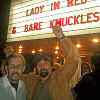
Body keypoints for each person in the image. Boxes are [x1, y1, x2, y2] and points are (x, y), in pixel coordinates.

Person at [21, 26, 81, 100]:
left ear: (51, 66)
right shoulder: (30, 80)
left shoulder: (60, 78)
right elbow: (13, 74)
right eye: (39, 64)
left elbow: (72, 61)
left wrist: (62, 38)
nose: (42, 66)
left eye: (46, 63)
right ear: (36, 68)